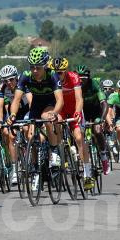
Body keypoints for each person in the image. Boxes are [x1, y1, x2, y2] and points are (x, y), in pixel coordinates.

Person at [9, 47, 64, 189]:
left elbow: (60, 100)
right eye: (32, 67)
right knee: (31, 135)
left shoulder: (52, 75)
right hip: (35, 106)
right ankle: (35, 166)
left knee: (47, 117)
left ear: (45, 66)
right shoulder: (25, 76)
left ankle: (54, 152)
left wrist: (55, 113)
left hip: (50, 104)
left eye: (38, 68)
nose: (34, 70)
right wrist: (13, 115)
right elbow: (16, 99)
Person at [50, 56, 94, 191]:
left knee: (80, 138)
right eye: (55, 72)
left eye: (60, 72)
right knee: (55, 125)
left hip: (74, 109)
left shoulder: (74, 77)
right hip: (61, 111)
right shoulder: (51, 79)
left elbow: (79, 98)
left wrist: (77, 112)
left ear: (66, 71)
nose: (58, 75)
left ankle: (87, 173)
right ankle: (60, 153)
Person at [77, 65, 110, 175]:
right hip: (83, 112)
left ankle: (104, 156)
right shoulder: (76, 86)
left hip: (96, 111)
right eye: (79, 78)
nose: (81, 81)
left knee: (97, 130)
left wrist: (102, 119)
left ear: (89, 78)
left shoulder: (94, 84)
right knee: (77, 132)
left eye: (84, 78)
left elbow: (104, 103)